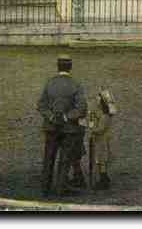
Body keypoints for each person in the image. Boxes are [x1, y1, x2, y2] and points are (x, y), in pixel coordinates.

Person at [37, 55, 88, 196]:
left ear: (57, 67)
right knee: (65, 160)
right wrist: (66, 117)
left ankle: (45, 188)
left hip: (51, 126)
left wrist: (52, 116)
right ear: (70, 67)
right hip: (69, 128)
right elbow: (82, 108)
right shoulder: (76, 84)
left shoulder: (49, 83)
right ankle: (60, 188)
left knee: (48, 158)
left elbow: (41, 105)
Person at [88, 89, 117, 190]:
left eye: (98, 97)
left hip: (102, 141)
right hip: (101, 140)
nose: (97, 99)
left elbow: (100, 129)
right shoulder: (104, 114)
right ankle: (104, 178)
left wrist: (92, 129)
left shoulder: (105, 116)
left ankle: (103, 180)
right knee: (101, 160)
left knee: (102, 161)